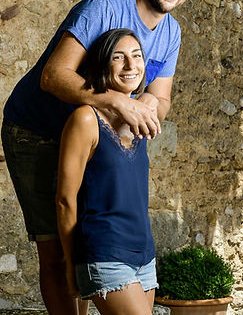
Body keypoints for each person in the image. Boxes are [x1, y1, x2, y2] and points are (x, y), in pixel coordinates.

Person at [1, 0, 197, 315]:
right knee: (58, 249)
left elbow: (161, 98)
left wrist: (151, 103)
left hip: (97, 138)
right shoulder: (104, 8)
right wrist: (117, 100)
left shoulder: (171, 33)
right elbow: (53, 76)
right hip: (37, 131)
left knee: (95, 242)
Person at [56, 28, 157, 315]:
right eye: (119, 57)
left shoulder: (141, 117)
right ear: (102, 64)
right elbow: (65, 200)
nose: (131, 65)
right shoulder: (85, 118)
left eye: (137, 56)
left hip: (144, 254)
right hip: (105, 253)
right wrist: (70, 263)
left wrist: (149, 100)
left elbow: (160, 99)